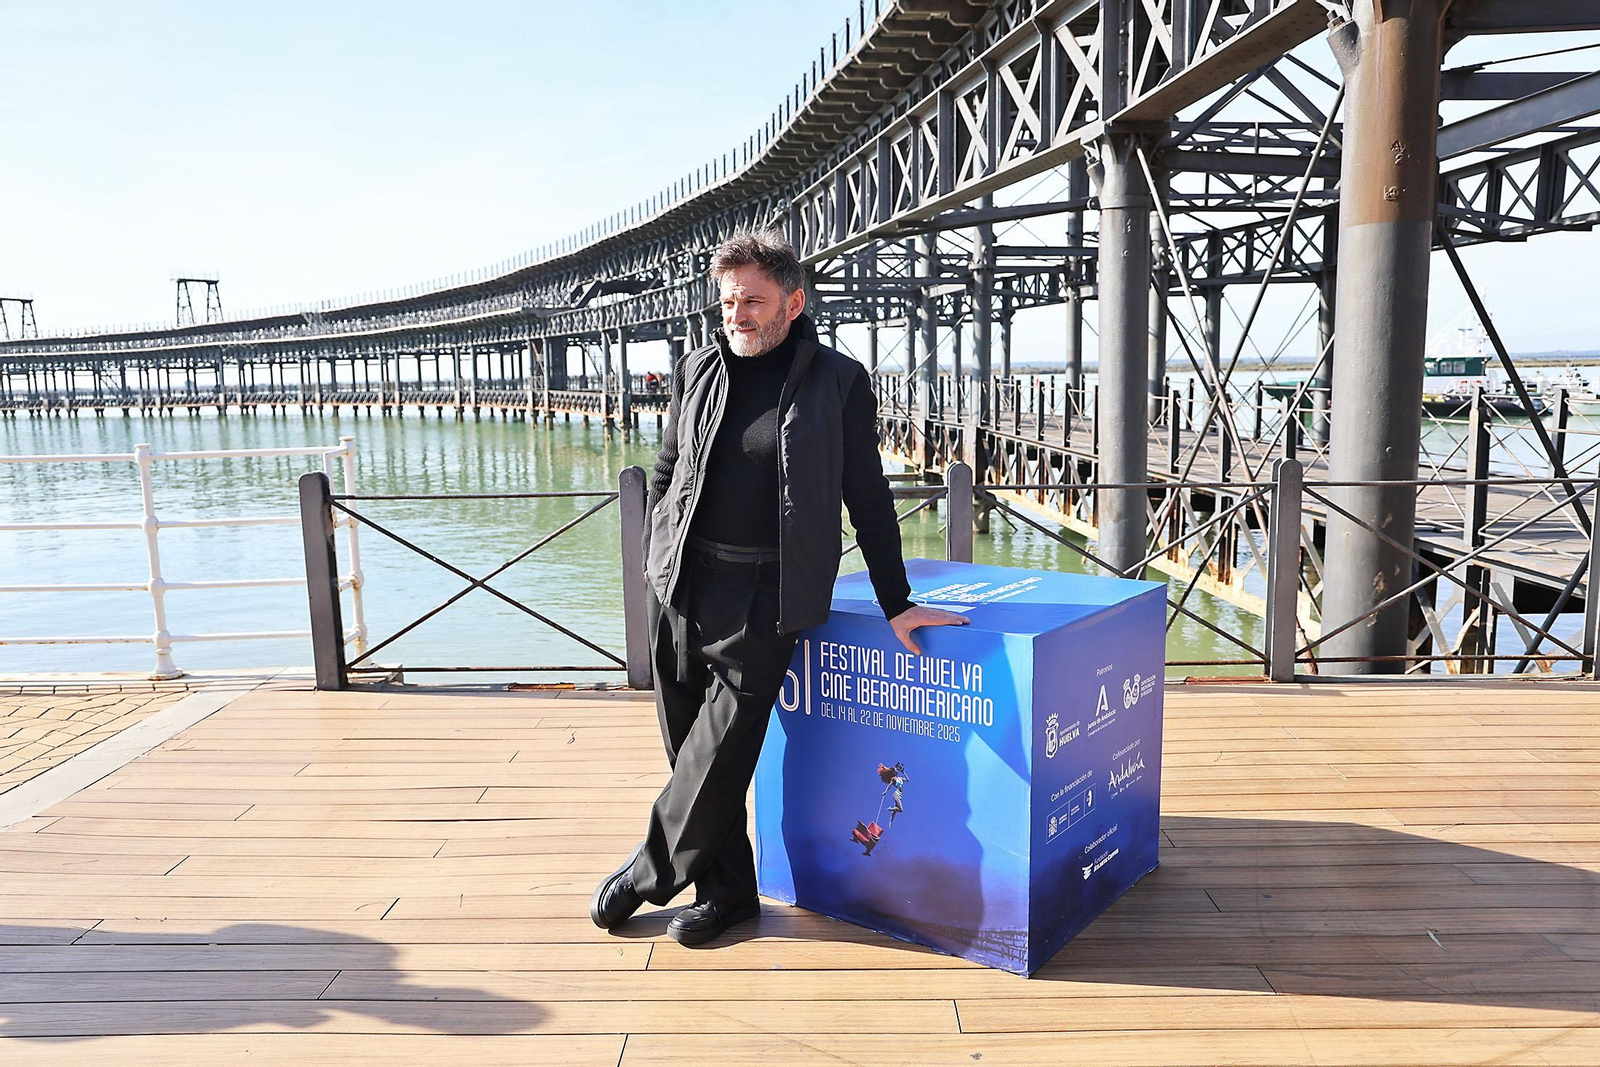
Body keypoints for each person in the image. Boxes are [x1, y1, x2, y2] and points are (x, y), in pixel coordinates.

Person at [590, 228, 967, 946]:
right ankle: (729, 893)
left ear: (793, 303)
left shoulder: (838, 381)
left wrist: (897, 599)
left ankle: (650, 870)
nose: (737, 313)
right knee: (691, 751)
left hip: (767, 595)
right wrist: (654, 561)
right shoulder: (697, 368)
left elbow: (869, 495)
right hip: (682, 583)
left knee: (719, 750)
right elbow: (668, 470)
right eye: (727, 300)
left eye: (753, 300)